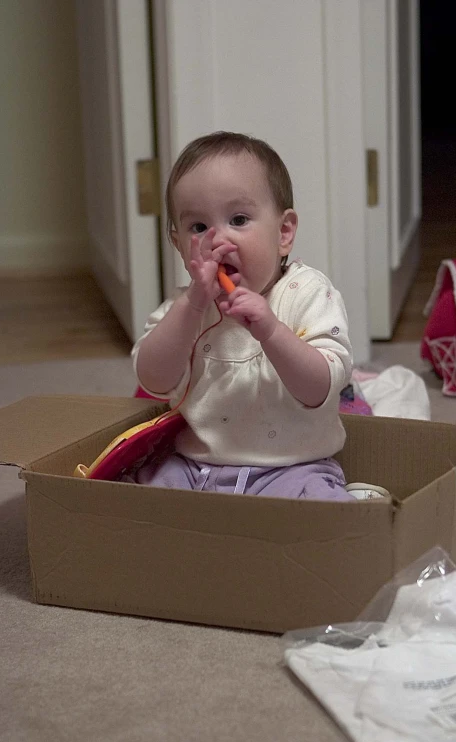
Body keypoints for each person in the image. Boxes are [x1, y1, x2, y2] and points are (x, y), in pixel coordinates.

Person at [128, 131, 354, 500]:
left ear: (283, 232)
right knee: (134, 498)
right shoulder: (184, 308)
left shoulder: (306, 292)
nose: (218, 241)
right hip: (194, 467)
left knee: (324, 512)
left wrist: (271, 331)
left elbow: (321, 388)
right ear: (179, 245)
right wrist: (193, 306)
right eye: (198, 227)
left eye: (238, 219)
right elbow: (152, 379)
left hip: (292, 467)